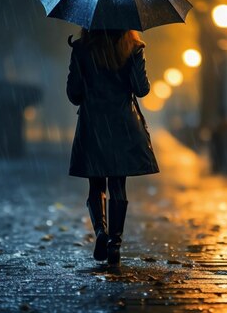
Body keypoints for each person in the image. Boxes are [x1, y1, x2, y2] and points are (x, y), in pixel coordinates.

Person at [66, 28, 159, 266]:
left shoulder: (82, 49)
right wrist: (135, 59)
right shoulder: (133, 49)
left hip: (93, 123)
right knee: (118, 184)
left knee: (96, 183)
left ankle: (100, 232)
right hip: (122, 124)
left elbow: (74, 94)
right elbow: (141, 89)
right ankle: (115, 244)